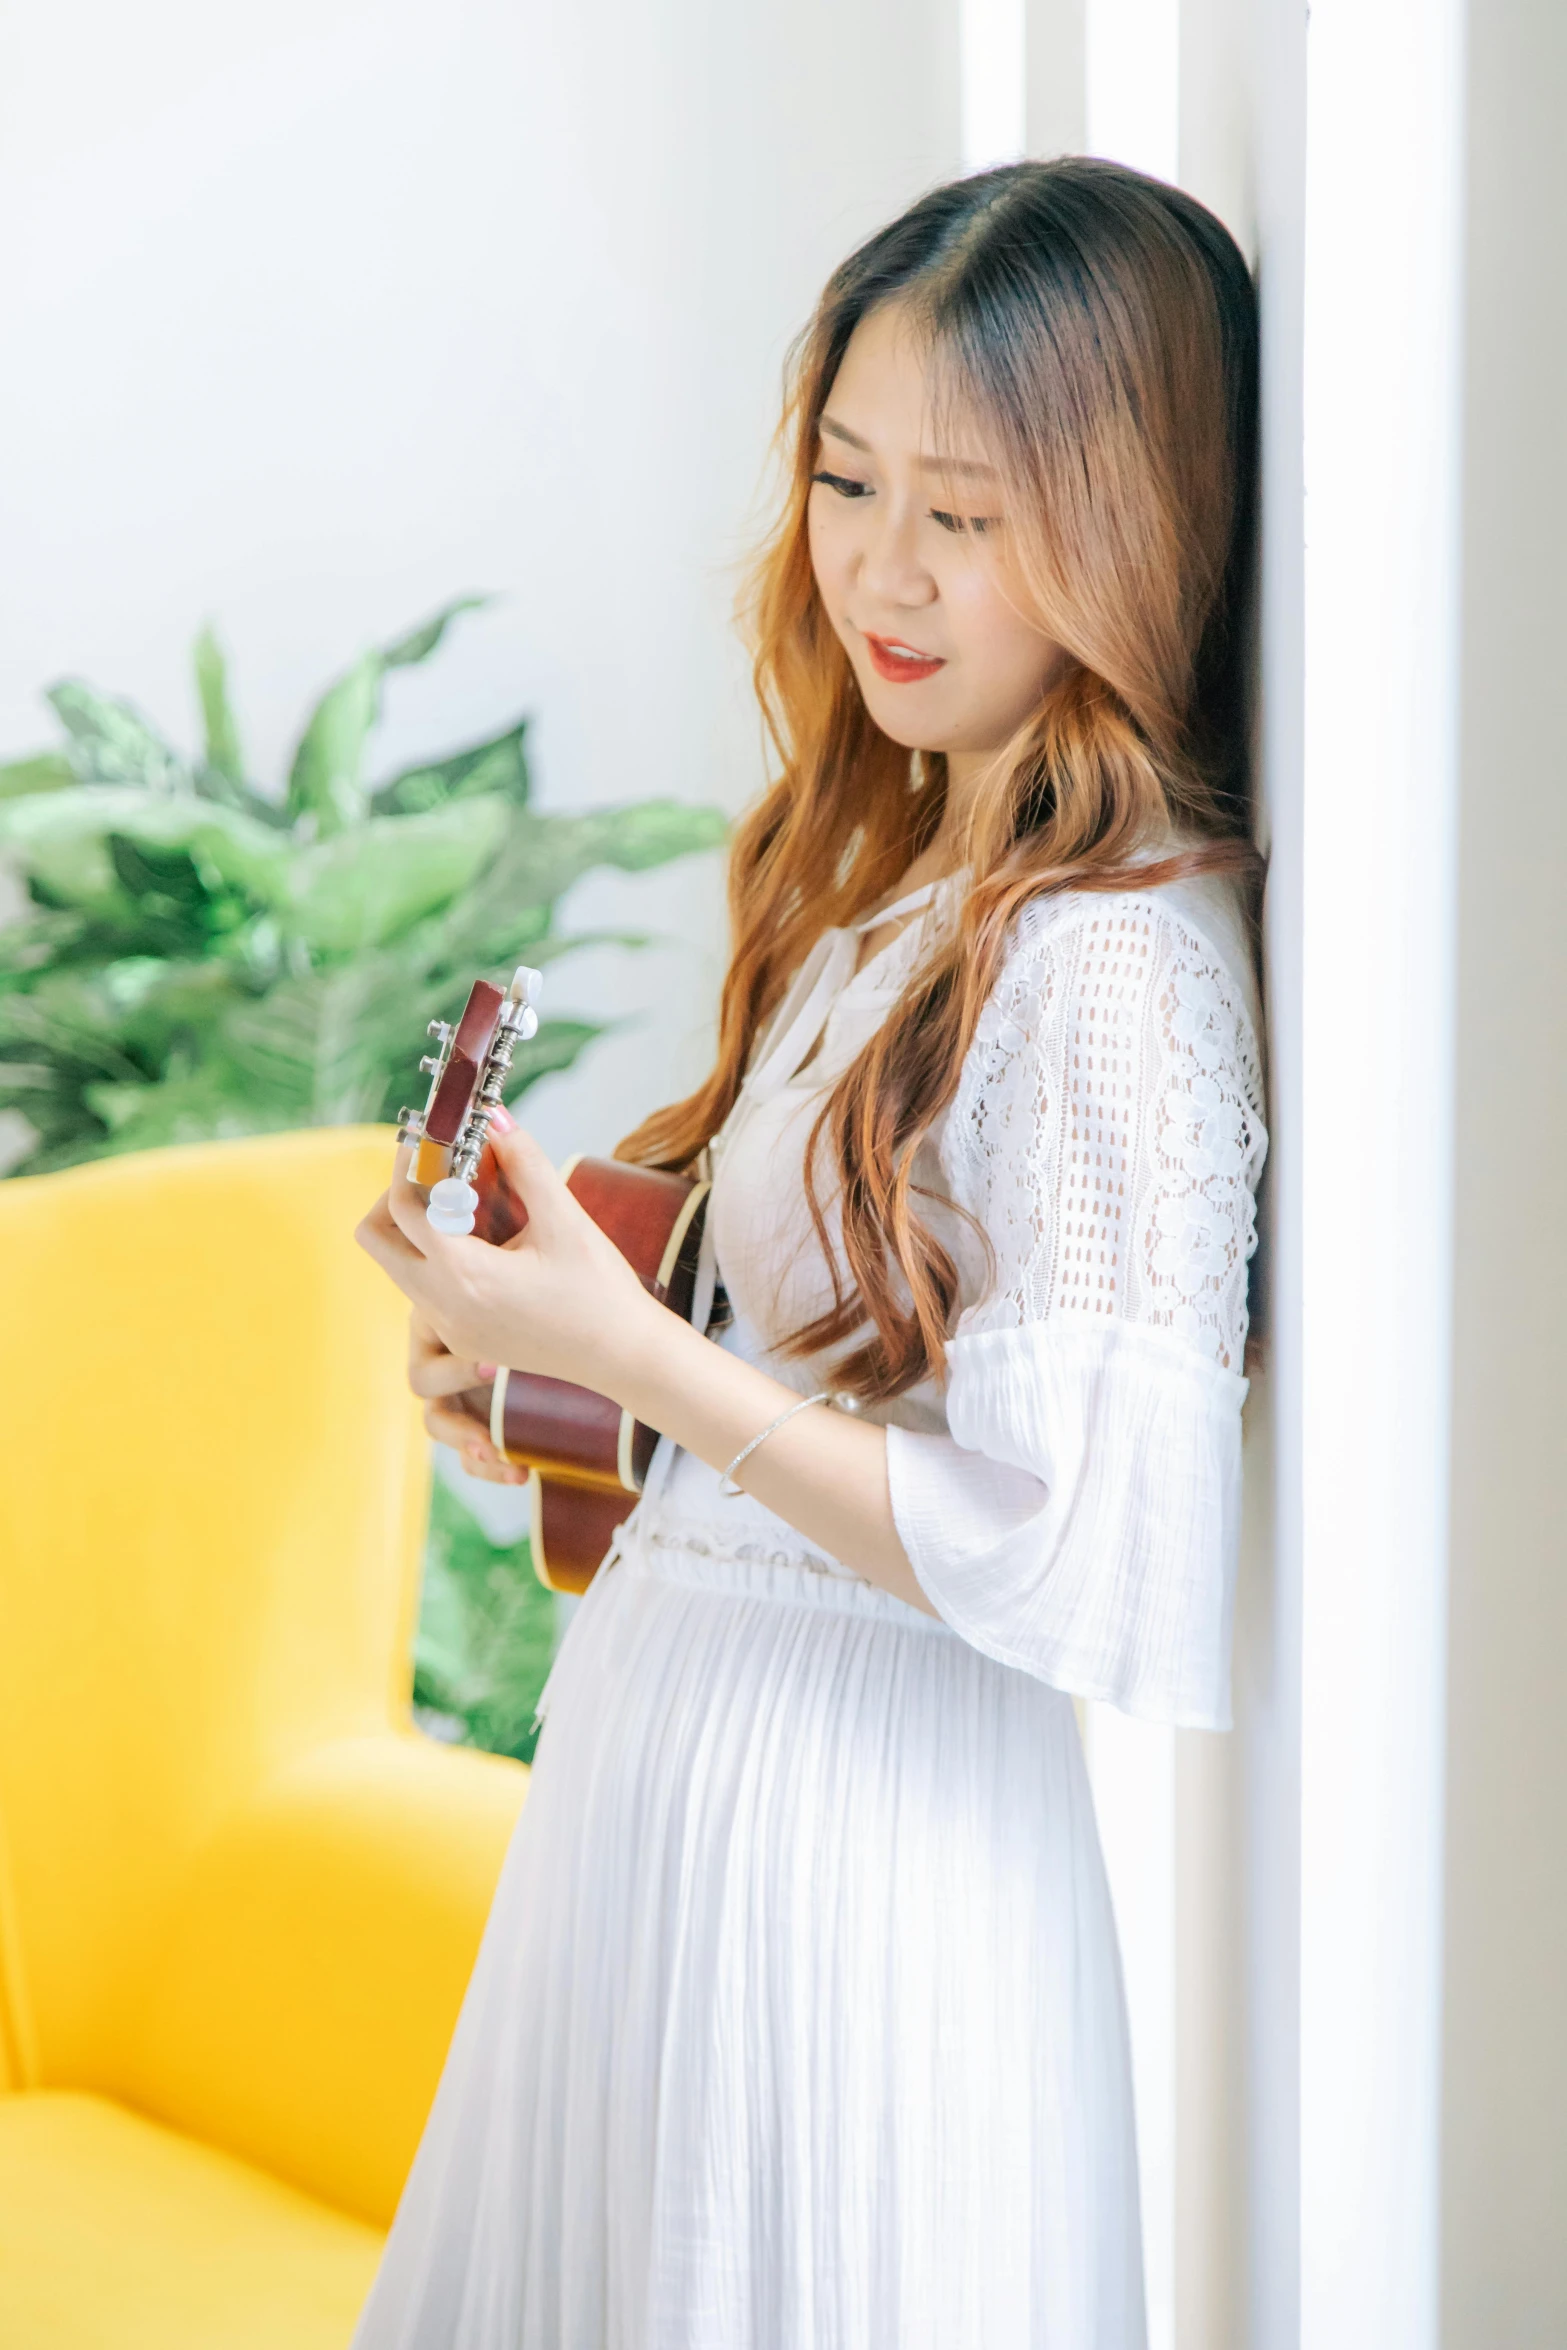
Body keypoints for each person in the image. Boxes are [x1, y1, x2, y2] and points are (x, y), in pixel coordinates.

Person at [353, 156, 1268, 2350]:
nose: (885, 565)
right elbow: (834, 1397)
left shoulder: (1119, 965)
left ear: (1130, 513)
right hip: (684, 1792)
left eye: (969, 507)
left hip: (859, 1853)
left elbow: (1080, 1559)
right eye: (852, 479)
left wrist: (645, 1368)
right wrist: (561, 1381)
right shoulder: (917, 888)